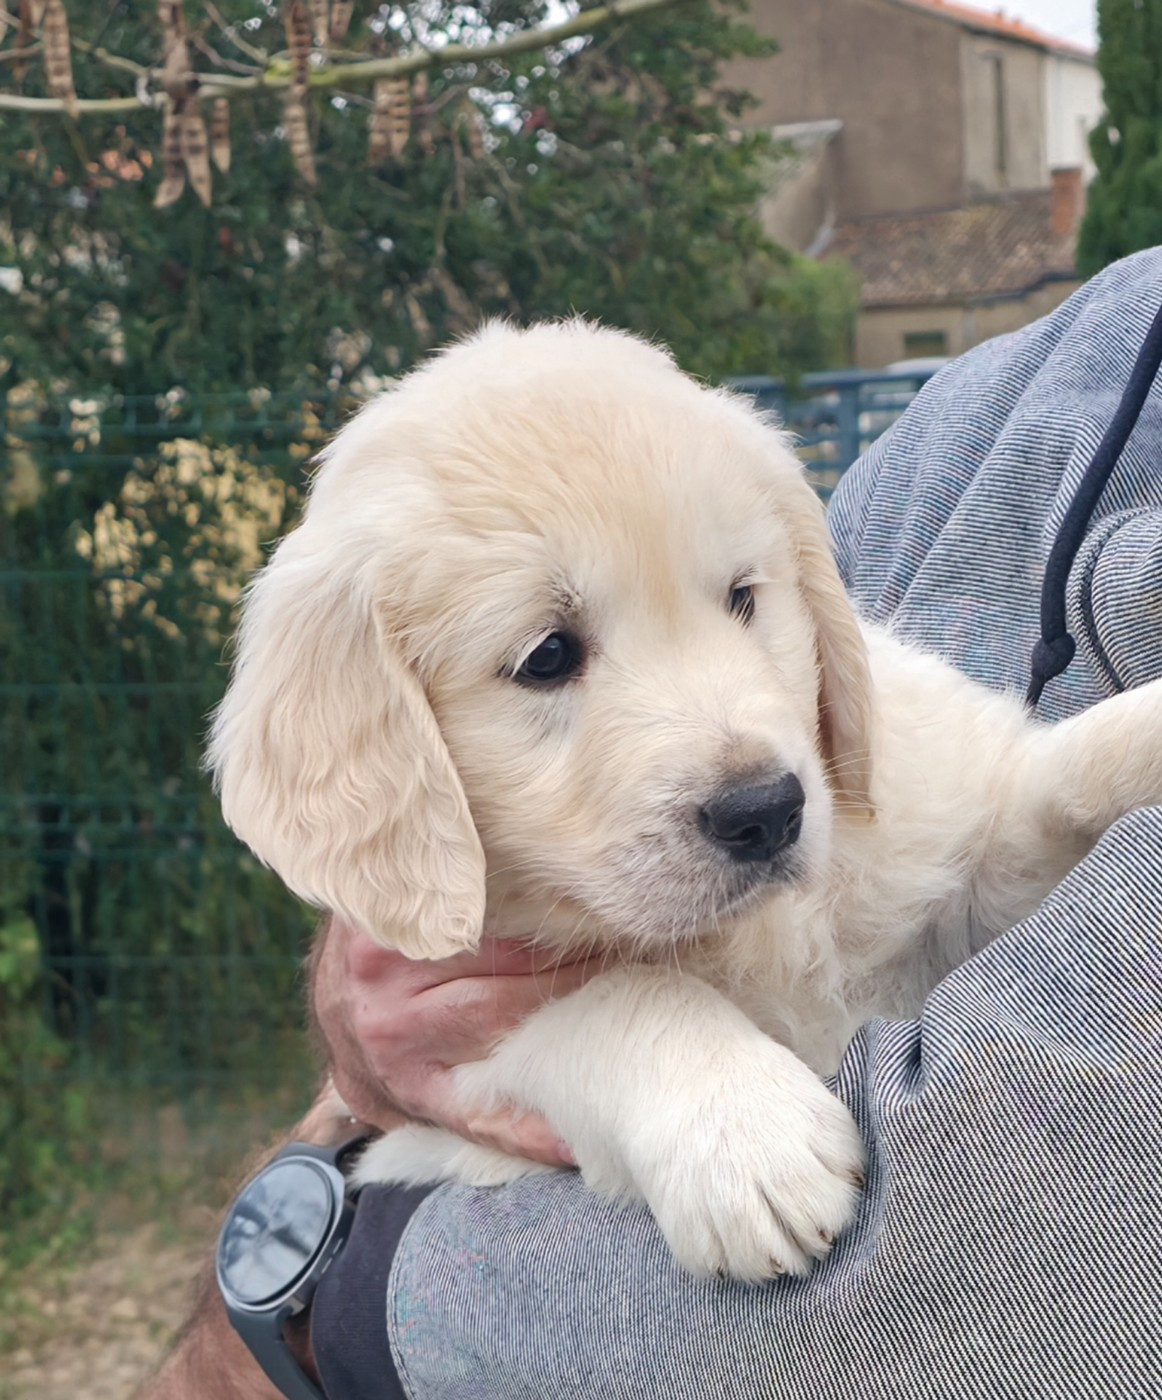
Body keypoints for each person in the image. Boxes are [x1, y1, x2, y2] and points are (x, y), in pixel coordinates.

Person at [145, 249, 1162, 1399]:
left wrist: (1093, 778)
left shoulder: (860, 693)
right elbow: (454, 1065)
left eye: (740, 598)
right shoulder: (989, 412)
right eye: (548, 656)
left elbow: (1012, 844)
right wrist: (620, 1037)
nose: (751, 769)